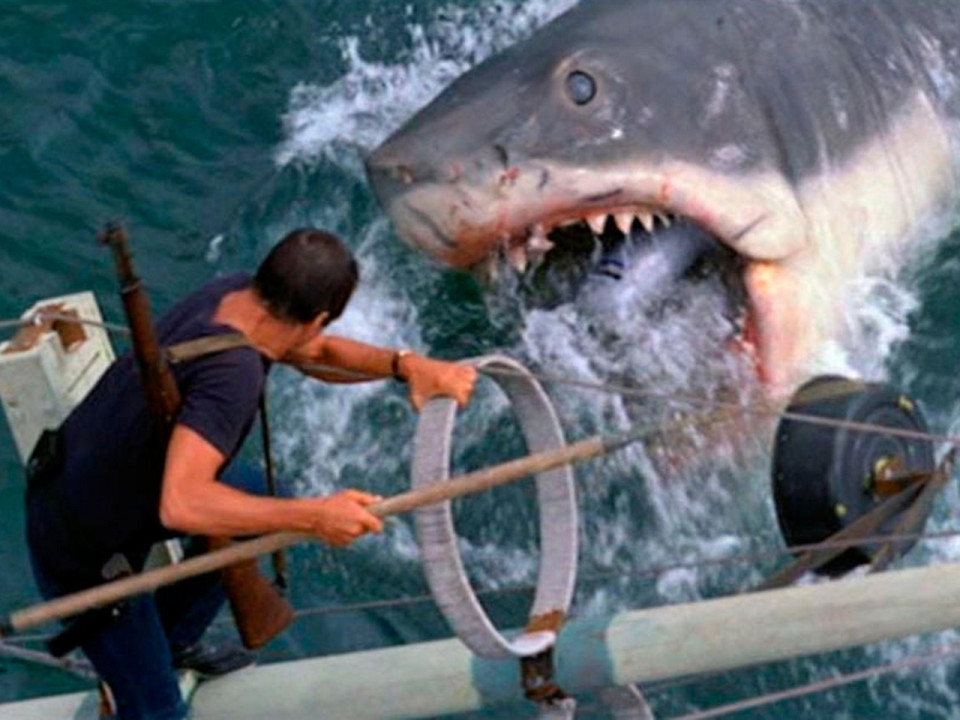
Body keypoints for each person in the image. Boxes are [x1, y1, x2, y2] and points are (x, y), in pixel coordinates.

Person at [24, 228, 476, 720]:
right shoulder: (233, 376)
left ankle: (168, 643)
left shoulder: (234, 295)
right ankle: (134, 681)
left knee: (259, 499)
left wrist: (405, 365)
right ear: (318, 317)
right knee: (158, 713)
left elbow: (319, 353)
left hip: (84, 479)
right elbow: (183, 503)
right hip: (83, 553)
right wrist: (315, 516)